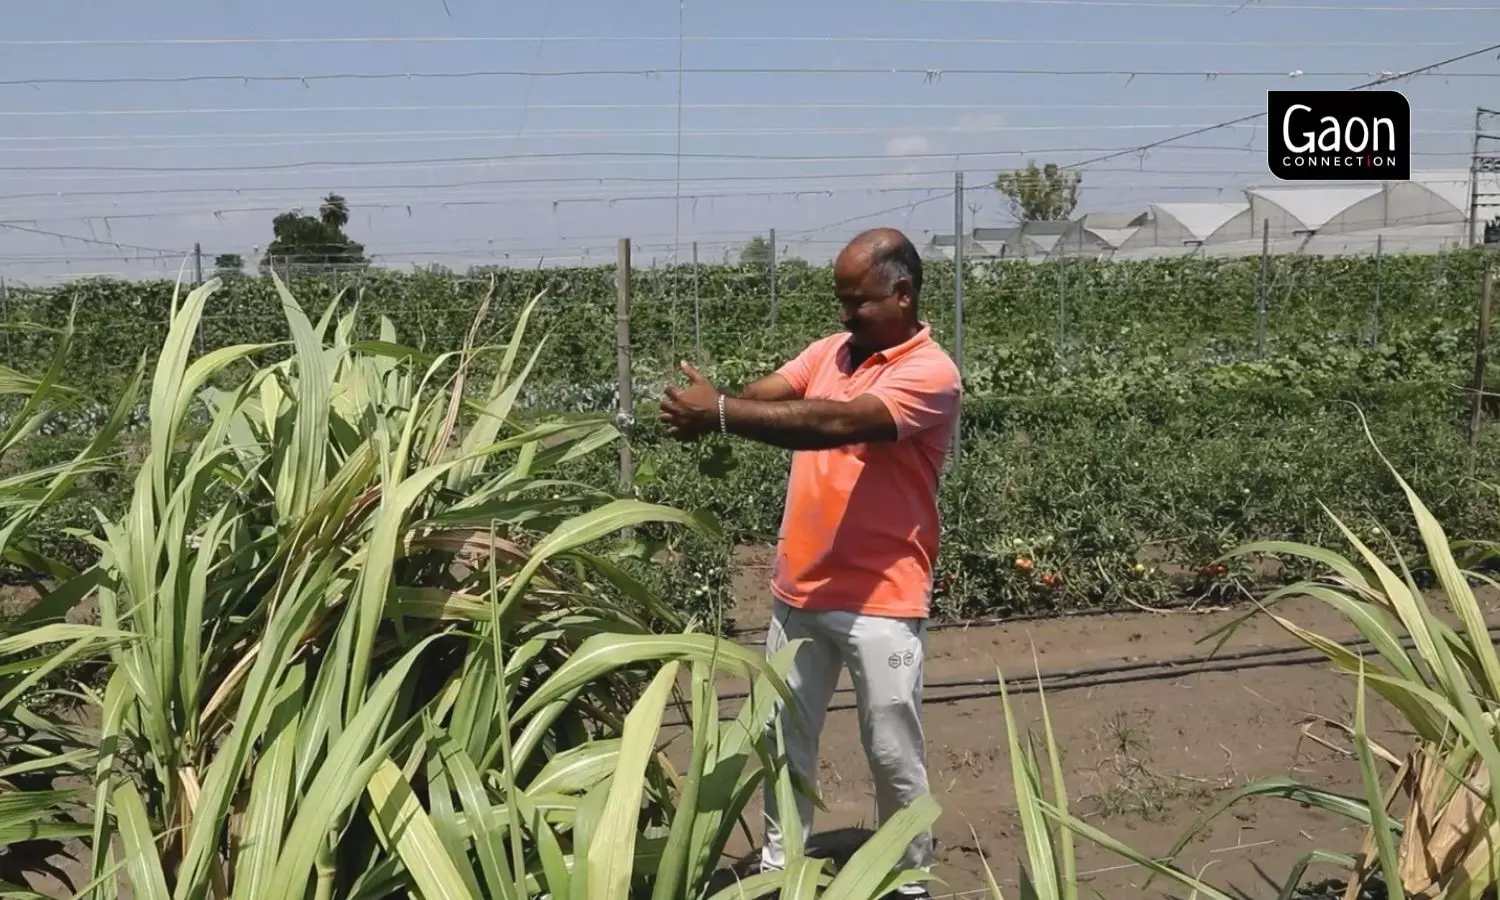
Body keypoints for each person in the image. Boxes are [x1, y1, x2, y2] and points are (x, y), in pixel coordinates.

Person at [658, 227, 962, 898]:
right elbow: (775, 395)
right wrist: (716, 404)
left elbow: (837, 423)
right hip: (799, 592)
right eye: (840, 300)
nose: (845, 315)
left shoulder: (930, 372)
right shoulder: (833, 351)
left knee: (891, 752)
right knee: (782, 741)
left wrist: (724, 415)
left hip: (882, 600)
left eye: (858, 302)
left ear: (903, 294)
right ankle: (779, 865)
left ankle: (908, 882)